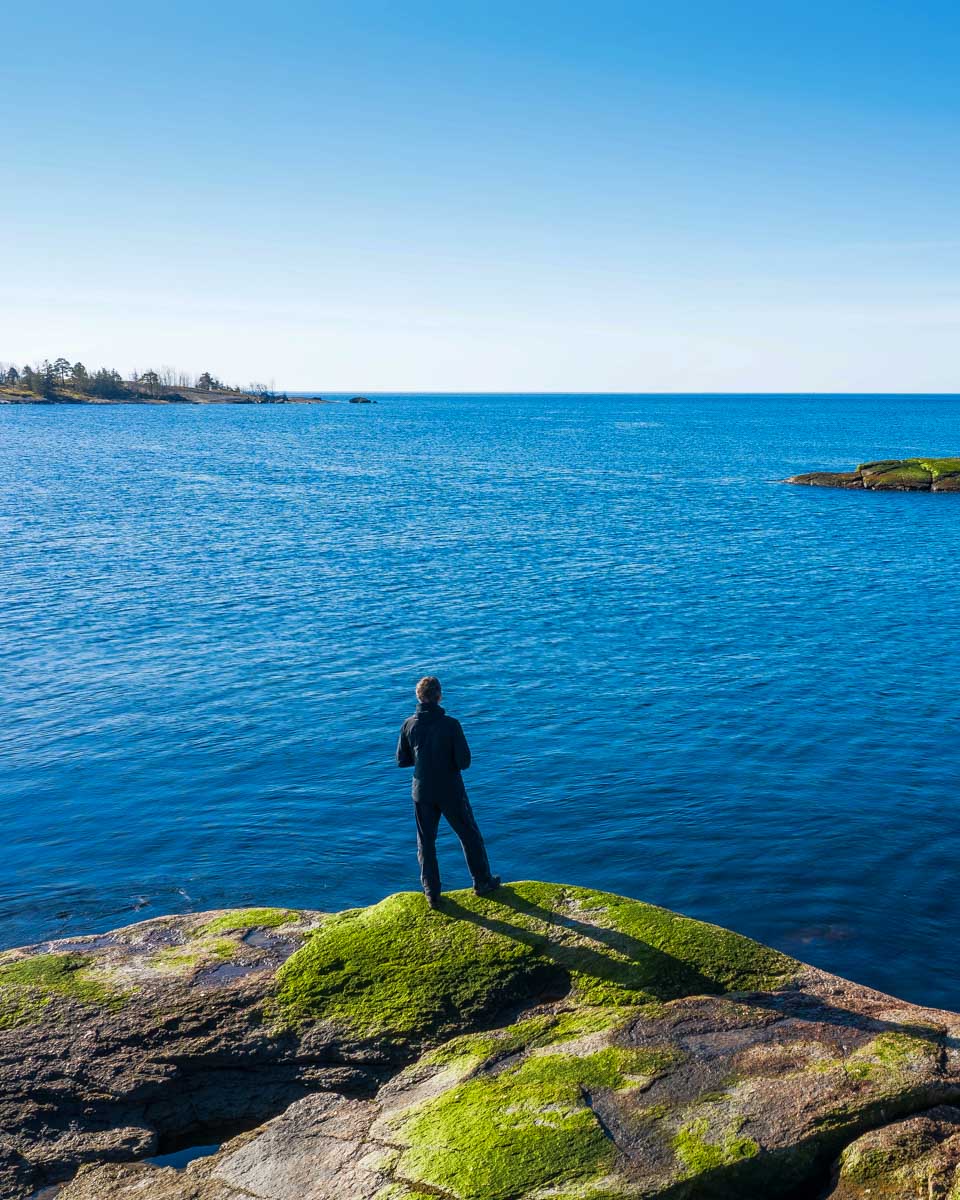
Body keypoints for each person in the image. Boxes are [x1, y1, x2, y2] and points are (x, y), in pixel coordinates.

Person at [396, 676, 500, 909]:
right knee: (469, 835)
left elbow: (402, 760)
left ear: (418, 696)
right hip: (450, 790)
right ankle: (482, 882)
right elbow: (464, 762)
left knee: (426, 843)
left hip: (422, 791)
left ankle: (432, 893)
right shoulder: (451, 725)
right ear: (439, 696)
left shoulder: (408, 725)